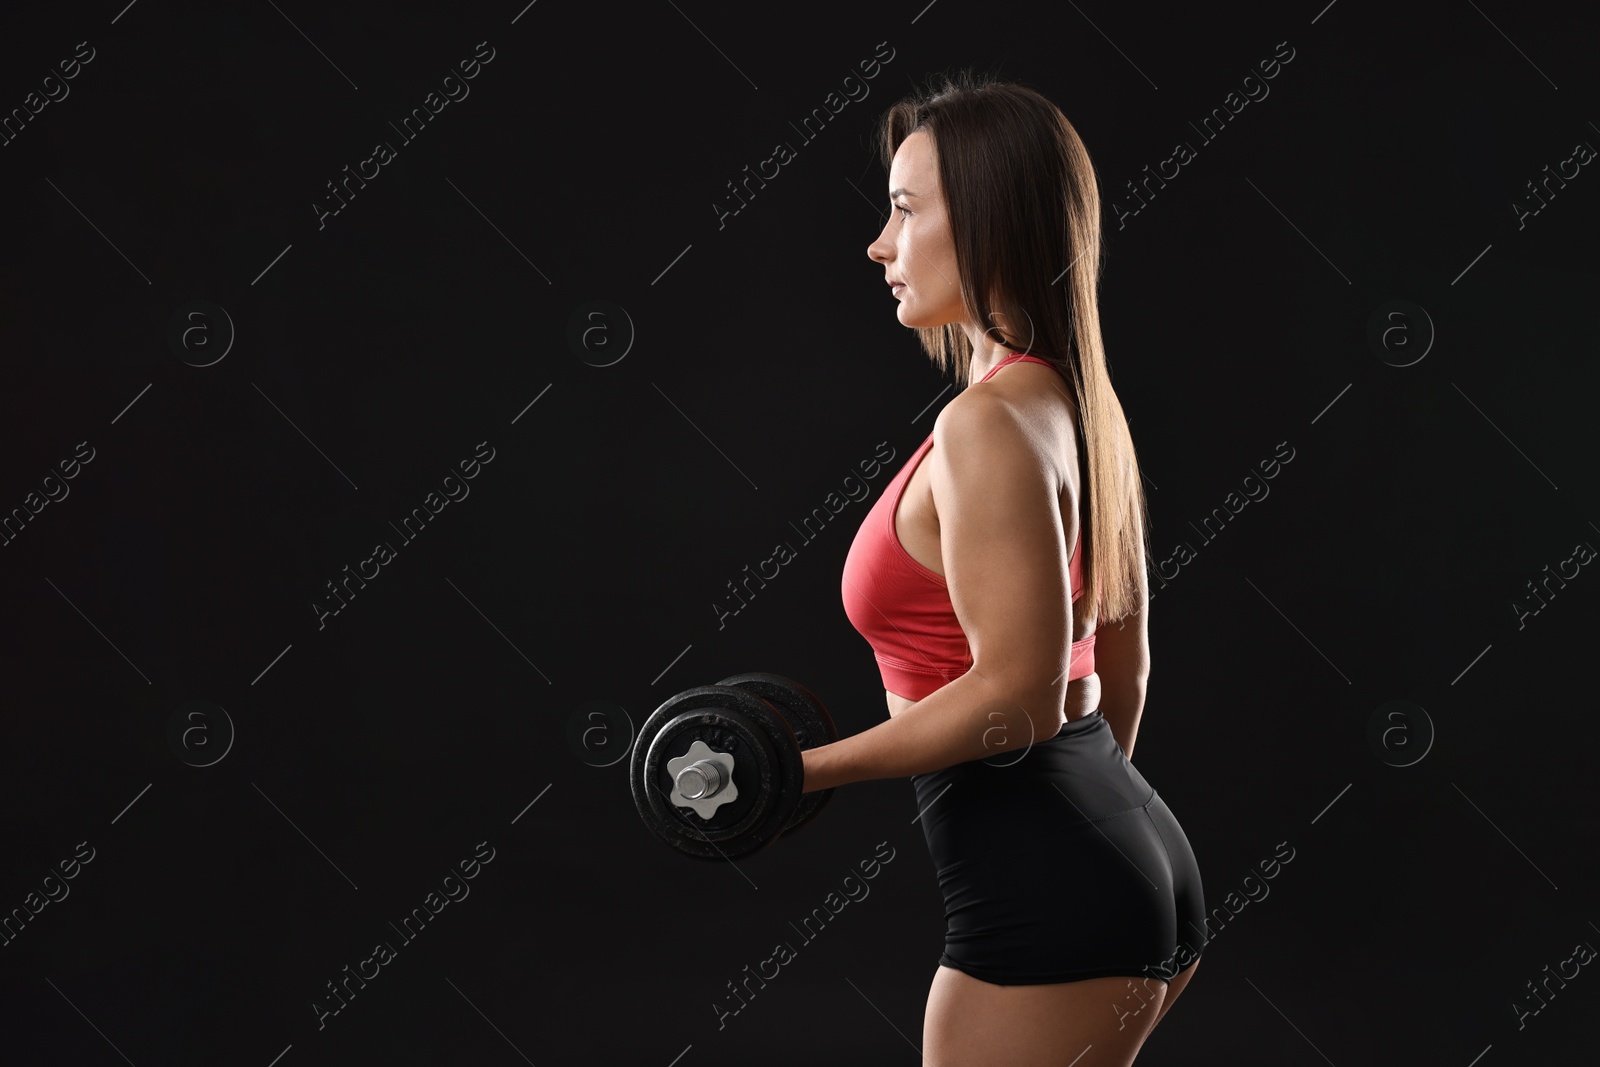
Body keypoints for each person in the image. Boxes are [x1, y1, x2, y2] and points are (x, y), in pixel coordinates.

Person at [801, 71, 1206, 1066]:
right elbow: (1123, 661)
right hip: (1127, 849)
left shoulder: (982, 424)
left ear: (982, 220)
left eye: (903, 211)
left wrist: (803, 774)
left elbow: (1020, 696)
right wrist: (1097, 836)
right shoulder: (1069, 400)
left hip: (1047, 898)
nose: (878, 245)